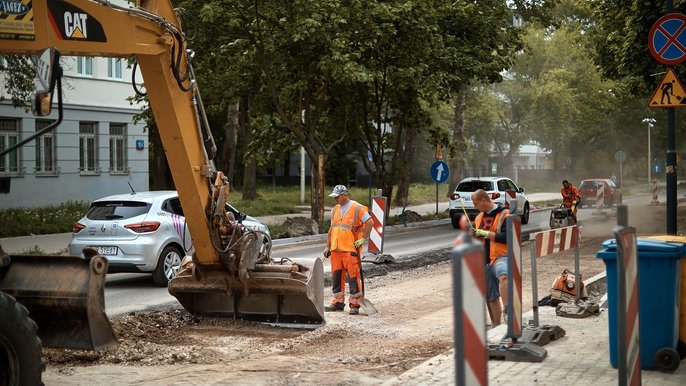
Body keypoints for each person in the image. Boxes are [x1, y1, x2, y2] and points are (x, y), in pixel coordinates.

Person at [323, 185, 374, 315]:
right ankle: (338, 302)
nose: (335, 199)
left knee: (353, 277)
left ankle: (355, 304)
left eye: (337, 196)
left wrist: (363, 239)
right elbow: (331, 230)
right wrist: (328, 246)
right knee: (336, 277)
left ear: (345, 195)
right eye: (334, 197)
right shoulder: (335, 210)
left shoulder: (357, 208)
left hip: (350, 248)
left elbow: (370, 222)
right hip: (336, 249)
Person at [470, 189, 510, 326]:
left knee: (503, 275)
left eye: (476, 204)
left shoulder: (504, 214)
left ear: (483, 200)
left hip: (501, 256)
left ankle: (508, 311)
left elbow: (506, 237)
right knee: (491, 296)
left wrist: (485, 233)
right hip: (484, 260)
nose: (474, 207)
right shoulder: (478, 218)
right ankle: (496, 326)